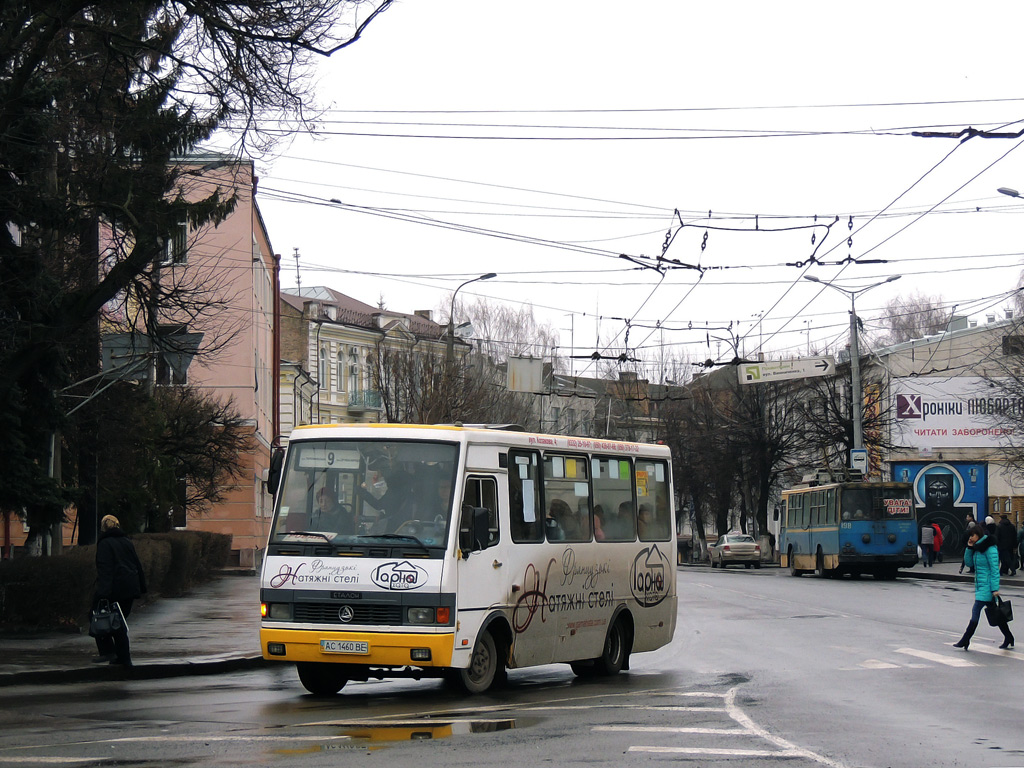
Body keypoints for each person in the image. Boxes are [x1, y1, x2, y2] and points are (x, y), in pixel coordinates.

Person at [93, 515, 147, 666]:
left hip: (113, 589)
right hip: (129, 589)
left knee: (96, 617)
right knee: (119, 623)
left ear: (103, 527)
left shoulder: (104, 544)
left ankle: (109, 652)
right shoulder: (126, 541)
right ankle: (122, 658)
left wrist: (102, 593)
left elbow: (105, 569)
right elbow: (137, 564)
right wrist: (142, 587)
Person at [953, 523, 1014, 651]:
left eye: (972, 535)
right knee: (997, 616)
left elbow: (994, 570)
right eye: (970, 535)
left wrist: (994, 589)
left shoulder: (990, 548)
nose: (971, 538)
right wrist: (969, 548)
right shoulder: (976, 548)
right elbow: (969, 563)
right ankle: (1009, 637)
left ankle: (965, 639)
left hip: (988, 588)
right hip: (980, 586)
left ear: (979, 535)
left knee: (975, 613)